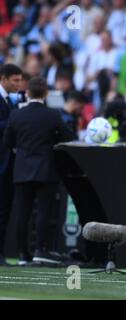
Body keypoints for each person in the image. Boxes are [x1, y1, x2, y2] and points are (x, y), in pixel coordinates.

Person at [3, 77, 75, 265]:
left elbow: (7, 143)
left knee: (22, 213)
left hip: (21, 170)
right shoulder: (53, 114)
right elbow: (69, 136)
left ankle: (22, 255)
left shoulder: (16, 115)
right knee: (43, 211)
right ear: (45, 94)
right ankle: (40, 250)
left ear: (27, 93)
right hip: (45, 169)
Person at [0, 64, 22, 266]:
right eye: (15, 80)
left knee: (4, 209)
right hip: (2, 162)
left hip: (9, 165)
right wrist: (17, 119)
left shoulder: (12, 101)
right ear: (3, 79)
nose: (18, 84)